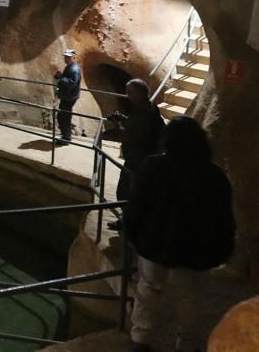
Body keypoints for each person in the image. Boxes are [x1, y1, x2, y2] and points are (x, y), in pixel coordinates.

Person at [124, 116, 235, 352]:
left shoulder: (154, 166)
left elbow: (137, 204)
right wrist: (223, 249)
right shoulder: (214, 175)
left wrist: (133, 233)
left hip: (155, 241)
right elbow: (223, 218)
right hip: (195, 248)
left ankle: (141, 339)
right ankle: (187, 344)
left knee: (149, 288)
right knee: (192, 298)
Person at [107, 79, 166, 230]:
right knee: (131, 191)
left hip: (138, 159)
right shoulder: (147, 107)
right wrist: (123, 120)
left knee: (126, 192)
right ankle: (130, 220)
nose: (128, 96)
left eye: (130, 92)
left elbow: (135, 136)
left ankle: (128, 223)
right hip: (140, 158)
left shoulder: (146, 112)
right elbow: (137, 126)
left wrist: (118, 127)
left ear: (140, 93)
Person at [53, 48, 82, 144]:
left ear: (73, 57)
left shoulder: (74, 69)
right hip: (67, 96)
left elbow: (71, 84)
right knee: (64, 116)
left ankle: (66, 138)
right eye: (65, 57)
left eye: (68, 57)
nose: (66, 59)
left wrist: (61, 77)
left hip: (69, 97)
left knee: (63, 117)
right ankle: (66, 136)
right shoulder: (70, 67)